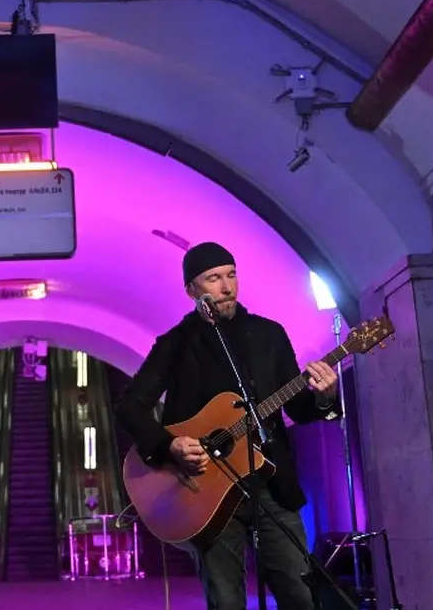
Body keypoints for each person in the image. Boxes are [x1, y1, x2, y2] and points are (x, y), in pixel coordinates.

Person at [115, 241, 339, 610]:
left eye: (231, 275)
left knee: (300, 594)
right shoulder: (175, 343)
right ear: (192, 290)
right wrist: (170, 444)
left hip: (271, 484)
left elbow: (298, 409)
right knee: (226, 601)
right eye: (213, 278)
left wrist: (325, 397)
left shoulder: (268, 335)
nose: (226, 287)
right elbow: (129, 407)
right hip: (207, 492)